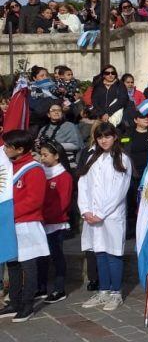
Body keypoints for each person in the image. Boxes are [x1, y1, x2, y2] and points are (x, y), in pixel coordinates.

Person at [79, 122, 133, 312]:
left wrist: (101, 213)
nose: (104, 140)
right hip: (91, 215)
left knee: (113, 252)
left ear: (115, 137)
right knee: (99, 252)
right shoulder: (92, 158)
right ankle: (103, 291)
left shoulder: (122, 159)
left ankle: (115, 292)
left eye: (107, 136)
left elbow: (119, 191)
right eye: (100, 137)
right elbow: (83, 184)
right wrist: (85, 210)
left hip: (110, 216)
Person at [0, 131, 48, 322]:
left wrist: (7, 214)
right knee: (12, 265)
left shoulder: (34, 169)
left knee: (28, 266)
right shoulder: (10, 166)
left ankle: (28, 304)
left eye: (9, 146)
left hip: (26, 223)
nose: (5, 148)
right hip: (11, 224)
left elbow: (34, 201)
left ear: (20, 149)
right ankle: (14, 301)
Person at [36, 141, 74, 303]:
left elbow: (63, 203)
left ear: (57, 156)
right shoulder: (40, 173)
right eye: (41, 155)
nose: (42, 158)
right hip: (40, 222)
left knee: (57, 256)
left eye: (46, 155)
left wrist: (44, 217)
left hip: (55, 223)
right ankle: (41, 287)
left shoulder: (64, 176)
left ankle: (60, 289)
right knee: (41, 257)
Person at [36, 103, 83, 168]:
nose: (56, 112)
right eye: (53, 110)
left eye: (59, 110)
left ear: (62, 113)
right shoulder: (43, 129)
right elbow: (39, 148)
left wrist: (54, 144)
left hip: (66, 162)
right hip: (46, 163)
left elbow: (76, 145)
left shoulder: (69, 126)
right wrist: (38, 146)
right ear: (48, 114)